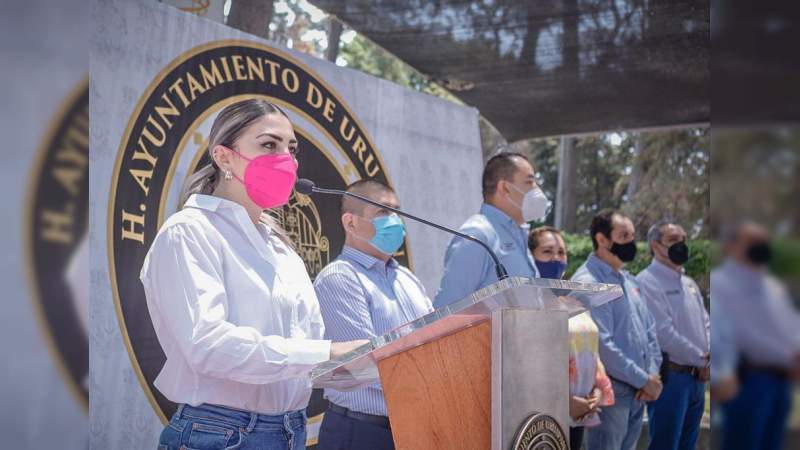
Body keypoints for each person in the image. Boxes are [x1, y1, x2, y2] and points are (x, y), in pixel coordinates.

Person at [140, 99, 365, 450]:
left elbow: (295, 357)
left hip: (291, 431)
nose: (286, 160)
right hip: (221, 434)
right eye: (268, 145)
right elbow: (207, 346)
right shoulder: (189, 231)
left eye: (291, 149)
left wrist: (362, 364)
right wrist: (326, 353)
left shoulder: (279, 243)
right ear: (224, 156)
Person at [313, 180, 434, 450]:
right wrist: (432, 378)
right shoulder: (340, 278)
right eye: (383, 212)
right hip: (363, 432)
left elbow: (434, 342)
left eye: (397, 211)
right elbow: (364, 365)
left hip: (416, 427)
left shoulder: (407, 279)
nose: (395, 220)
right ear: (351, 223)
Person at [570, 209, 662, 450]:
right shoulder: (589, 284)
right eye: (623, 236)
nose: (631, 242)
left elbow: (649, 331)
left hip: (637, 393)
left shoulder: (629, 281)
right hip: (611, 396)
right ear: (601, 240)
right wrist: (644, 380)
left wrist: (652, 376)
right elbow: (602, 345)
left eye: (632, 235)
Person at [712, 221, 800, 450]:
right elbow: (740, 334)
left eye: (763, 242)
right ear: (730, 247)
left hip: (781, 382)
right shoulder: (721, 284)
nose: (761, 247)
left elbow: (791, 324)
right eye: (753, 242)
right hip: (749, 381)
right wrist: (789, 358)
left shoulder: (772, 285)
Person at [528, 226, 614, 450]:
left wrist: (596, 390)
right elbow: (527, 365)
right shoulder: (525, 307)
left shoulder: (575, 304)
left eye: (561, 253)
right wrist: (564, 402)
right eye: (547, 252)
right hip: (543, 416)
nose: (556, 259)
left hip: (581, 413)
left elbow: (591, 351)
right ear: (530, 257)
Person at [434, 152, 545, 308]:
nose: (536, 190)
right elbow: (448, 311)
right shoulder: (477, 236)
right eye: (529, 182)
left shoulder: (518, 235)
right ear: (505, 188)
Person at [636, 220, 710, 450]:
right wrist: (702, 359)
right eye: (673, 240)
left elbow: (705, 322)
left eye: (683, 240)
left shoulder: (689, 283)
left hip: (697, 380)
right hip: (672, 380)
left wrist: (710, 358)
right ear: (656, 246)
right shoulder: (647, 282)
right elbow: (663, 333)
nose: (681, 245)